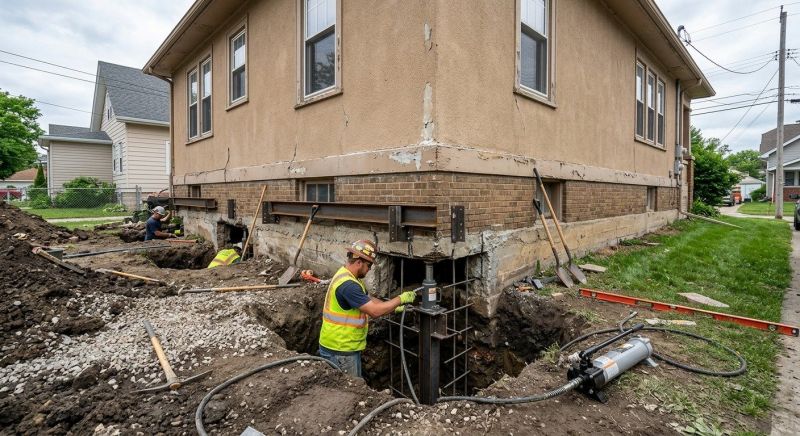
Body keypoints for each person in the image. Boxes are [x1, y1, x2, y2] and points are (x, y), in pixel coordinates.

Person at [318, 240, 417, 377]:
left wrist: (394, 308)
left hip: (342, 347)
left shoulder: (349, 277)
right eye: (368, 265)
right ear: (359, 262)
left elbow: (370, 300)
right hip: (340, 350)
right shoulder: (349, 286)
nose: (369, 269)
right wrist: (401, 299)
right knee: (350, 393)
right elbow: (374, 311)